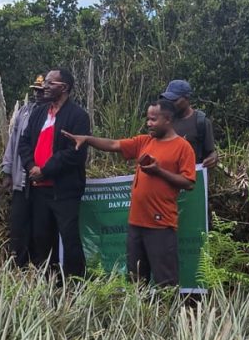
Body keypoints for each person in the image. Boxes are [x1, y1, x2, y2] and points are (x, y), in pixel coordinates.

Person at [62, 99, 196, 289]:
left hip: (161, 224)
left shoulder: (182, 147)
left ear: (168, 119)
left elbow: (189, 183)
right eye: (147, 119)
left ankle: (168, 316)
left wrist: (159, 171)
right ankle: (140, 317)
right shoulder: (144, 141)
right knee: (135, 279)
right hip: (136, 223)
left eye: (153, 119)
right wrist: (87, 139)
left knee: (166, 282)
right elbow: (115, 144)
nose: (148, 123)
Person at [18, 67, 89, 278]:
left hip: (64, 191)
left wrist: (46, 170)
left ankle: (75, 284)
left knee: (69, 238)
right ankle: (49, 283)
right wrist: (31, 167)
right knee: (41, 237)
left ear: (64, 88)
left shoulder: (78, 116)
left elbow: (74, 153)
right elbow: (24, 142)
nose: (44, 87)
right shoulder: (40, 111)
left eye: (50, 83)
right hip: (38, 189)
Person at [1, 74, 47, 266]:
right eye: (35, 90)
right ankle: (17, 264)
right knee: (19, 223)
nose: (37, 94)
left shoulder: (53, 114)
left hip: (43, 180)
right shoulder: (24, 112)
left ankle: (40, 265)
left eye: (41, 91)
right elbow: (14, 143)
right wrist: (7, 169)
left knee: (40, 227)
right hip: (21, 178)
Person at [159, 80, 218, 169]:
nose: (171, 103)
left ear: (187, 98)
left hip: (192, 178)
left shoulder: (201, 122)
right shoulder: (165, 121)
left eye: (175, 100)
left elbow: (211, 152)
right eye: (168, 100)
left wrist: (213, 158)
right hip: (167, 177)